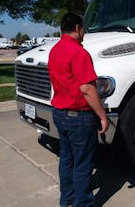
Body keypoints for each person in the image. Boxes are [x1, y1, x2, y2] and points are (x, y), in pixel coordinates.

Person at [48, 13, 109, 207]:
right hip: (79, 117)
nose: (84, 33)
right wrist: (103, 116)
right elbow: (87, 89)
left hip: (59, 113)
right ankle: (83, 203)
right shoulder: (78, 53)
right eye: (83, 29)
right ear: (77, 28)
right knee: (83, 164)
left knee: (66, 159)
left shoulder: (55, 50)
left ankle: (67, 200)